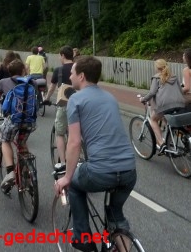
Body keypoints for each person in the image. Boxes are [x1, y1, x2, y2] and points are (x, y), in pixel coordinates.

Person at [54, 56, 137, 252]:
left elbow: (74, 142)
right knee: (115, 214)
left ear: (81, 76)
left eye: (73, 72)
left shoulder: (75, 99)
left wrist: (66, 177)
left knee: (74, 184)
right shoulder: (109, 97)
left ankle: (83, 238)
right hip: (128, 170)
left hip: (100, 171)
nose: (71, 75)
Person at [0, 59, 35, 192]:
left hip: (13, 120)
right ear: (23, 71)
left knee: (5, 140)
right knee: (22, 143)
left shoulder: (3, 82)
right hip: (29, 121)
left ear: (9, 72)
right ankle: (28, 177)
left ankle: (10, 171)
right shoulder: (30, 82)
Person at [140, 59, 185, 155]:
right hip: (179, 103)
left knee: (153, 119)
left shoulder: (156, 78)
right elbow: (181, 91)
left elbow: (152, 92)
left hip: (164, 105)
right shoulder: (174, 76)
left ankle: (161, 143)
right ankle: (171, 139)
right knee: (168, 120)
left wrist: (144, 99)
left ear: (157, 68)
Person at [43, 46, 74, 168]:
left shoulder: (59, 70)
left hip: (64, 104)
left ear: (62, 55)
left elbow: (51, 87)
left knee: (59, 133)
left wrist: (46, 99)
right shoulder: (80, 68)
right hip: (81, 103)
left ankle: (63, 162)